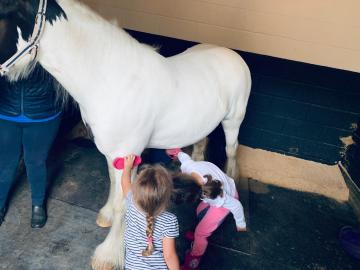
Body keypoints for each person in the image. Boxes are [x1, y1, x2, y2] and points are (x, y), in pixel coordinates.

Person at [0, 65, 62, 228]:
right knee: (5, 162)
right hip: (5, 111)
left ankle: (37, 204)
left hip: (43, 113)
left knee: (35, 162)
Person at [168, 149, 246, 270]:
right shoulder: (187, 168)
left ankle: (194, 260)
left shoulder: (214, 195)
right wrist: (176, 152)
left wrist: (241, 224)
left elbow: (236, 205)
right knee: (199, 212)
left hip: (226, 200)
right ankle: (197, 235)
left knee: (201, 232)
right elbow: (184, 157)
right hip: (218, 186)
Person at [122, 155, 180, 270]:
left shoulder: (131, 202)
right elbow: (169, 256)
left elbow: (125, 183)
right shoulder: (170, 220)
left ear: (136, 191)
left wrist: (127, 167)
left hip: (132, 267)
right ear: (167, 196)